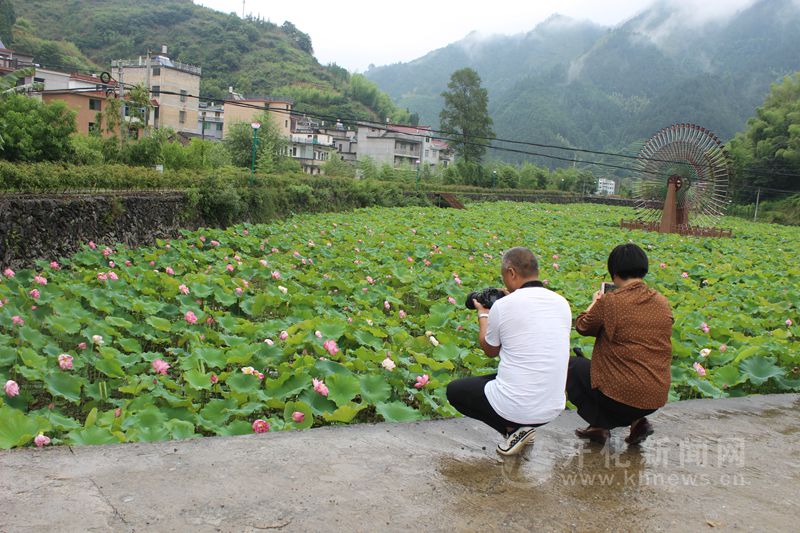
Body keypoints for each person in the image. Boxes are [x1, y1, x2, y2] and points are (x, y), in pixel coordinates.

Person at [446, 247, 571, 456]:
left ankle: (514, 430)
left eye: (504, 275)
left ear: (511, 273)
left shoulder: (503, 306)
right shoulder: (561, 302)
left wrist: (483, 314)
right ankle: (522, 431)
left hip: (519, 406)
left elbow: (490, 349)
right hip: (553, 405)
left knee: (456, 390)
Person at [567, 243, 673, 446]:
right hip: (656, 396)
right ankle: (638, 423)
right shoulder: (661, 302)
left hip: (623, 396)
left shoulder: (611, 301)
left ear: (613, 271)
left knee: (571, 366)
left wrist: (595, 303)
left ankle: (600, 425)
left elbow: (583, 327)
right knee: (625, 368)